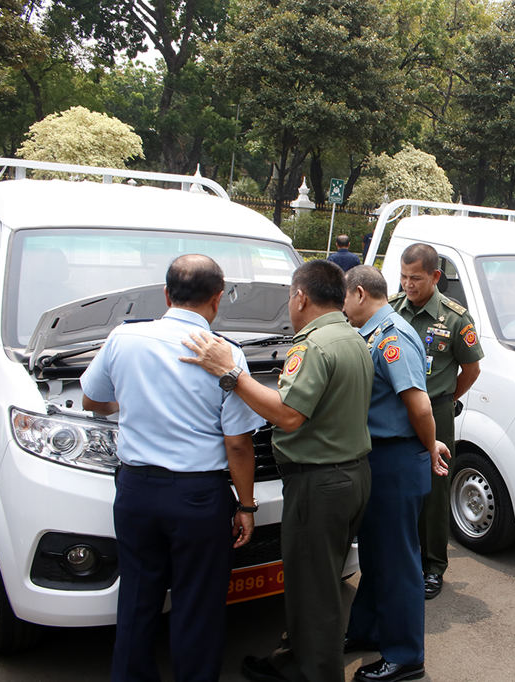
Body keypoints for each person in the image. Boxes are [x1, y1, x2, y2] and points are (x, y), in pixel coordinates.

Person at [180, 259, 373, 682]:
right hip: (351, 475)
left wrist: (231, 375)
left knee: (315, 592)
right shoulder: (352, 337)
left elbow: (287, 416)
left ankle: (316, 674)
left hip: (320, 483)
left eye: (290, 295)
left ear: (301, 297)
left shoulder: (313, 346)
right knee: (312, 583)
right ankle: (292, 662)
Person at [80, 254, 263, 682]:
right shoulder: (227, 355)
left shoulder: (123, 339)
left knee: (137, 600)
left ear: (166, 293)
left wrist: (130, 405)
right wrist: (247, 506)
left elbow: (92, 400)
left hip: (136, 493)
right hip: (198, 499)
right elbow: (237, 443)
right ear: (218, 300)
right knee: (197, 607)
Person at [342, 265, 451, 682]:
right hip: (378, 458)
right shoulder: (372, 332)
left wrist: (429, 445)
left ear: (359, 294)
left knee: (399, 562)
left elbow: (418, 404)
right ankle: (368, 630)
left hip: (396, 460)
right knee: (376, 556)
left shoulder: (392, 336)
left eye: (345, 299)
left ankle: (406, 657)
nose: (344, 307)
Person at [390, 243, 483, 600]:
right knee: (398, 482)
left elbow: (472, 369)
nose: (408, 284)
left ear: (435, 277)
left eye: (415, 278)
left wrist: (447, 399)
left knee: (434, 487)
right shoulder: (393, 310)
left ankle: (433, 566)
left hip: (437, 410)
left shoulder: (455, 318)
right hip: (397, 411)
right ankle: (404, 556)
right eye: (403, 277)